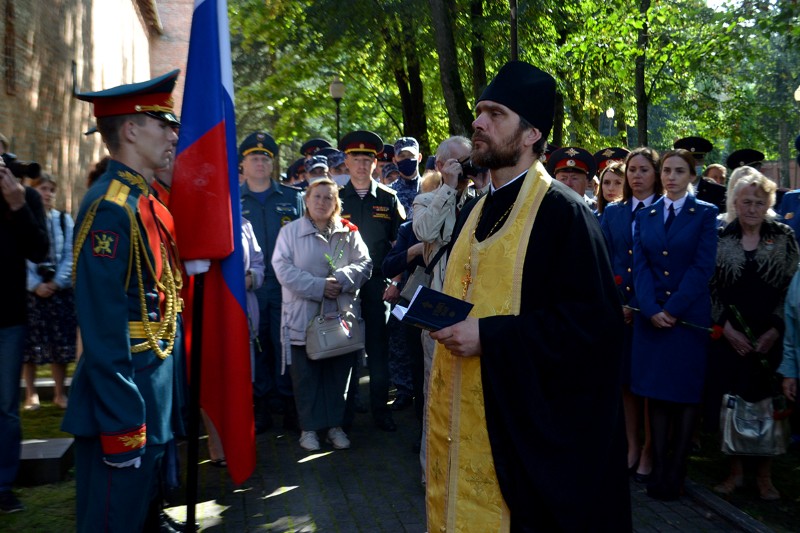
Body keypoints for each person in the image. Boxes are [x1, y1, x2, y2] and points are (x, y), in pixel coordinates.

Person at [426, 60, 630, 531]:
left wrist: (492, 337)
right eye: (478, 112)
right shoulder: (477, 209)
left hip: (525, 448)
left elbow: (594, 330)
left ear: (531, 134)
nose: (477, 123)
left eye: (495, 114)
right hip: (462, 421)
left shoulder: (565, 214)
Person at [61, 70, 186, 531]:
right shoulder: (110, 208)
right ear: (131, 130)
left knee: (135, 516)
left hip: (151, 386)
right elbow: (102, 325)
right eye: (162, 123)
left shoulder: (144, 200)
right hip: (125, 396)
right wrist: (123, 420)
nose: (173, 133)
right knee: (112, 521)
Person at [632, 148, 719, 501]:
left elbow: (703, 268)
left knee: (684, 399)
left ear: (692, 177)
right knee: (657, 397)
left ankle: (677, 473)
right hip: (652, 319)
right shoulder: (647, 213)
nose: (671, 177)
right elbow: (641, 266)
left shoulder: (705, 213)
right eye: (666, 170)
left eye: (679, 171)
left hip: (687, 321)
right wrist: (651, 308)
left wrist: (674, 310)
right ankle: (659, 470)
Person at [708, 170, 798, 500]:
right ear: (734, 202)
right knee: (732, 402)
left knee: (766, 403)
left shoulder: (784, 235)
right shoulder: (721, 236)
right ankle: (734, 474)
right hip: (731, 335)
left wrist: (776, 329)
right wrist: (726, 328)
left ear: (769, 204)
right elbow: (710, 286)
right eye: (746, 201)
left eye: (760, 202)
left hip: (770, 336)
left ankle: (764, 476)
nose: (752, 208)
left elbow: (792, 285)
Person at [272, 178, 372, 451]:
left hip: (340, 319)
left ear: (336, 203)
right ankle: (309, 430)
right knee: (306, 378)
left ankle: (336, 427)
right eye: (317, 196)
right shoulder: (290, 233)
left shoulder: (349, 232)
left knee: (339, 376)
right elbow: (283, 270)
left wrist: (341, 279)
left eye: (328, 197)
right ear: (306, 200)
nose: (322, 202)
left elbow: (365, 263)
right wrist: (318, 287)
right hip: (303, 320)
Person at [600, 146, 662, 484]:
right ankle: (631, 445)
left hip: (651, 312)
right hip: (618, 310)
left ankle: (651, 449)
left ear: (656, 174)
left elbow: (663, 267)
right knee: (624, 383)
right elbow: (606, 260)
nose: (636, 176)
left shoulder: (665, 210)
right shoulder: (614, 212)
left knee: (647, 385)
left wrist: (637, 304)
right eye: (632, 171)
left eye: (643, 170)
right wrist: (615, 302)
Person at [338, 130, 405, 432]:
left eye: (368, 159)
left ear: (375, 163)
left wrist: (397, 280)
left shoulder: (389, 199)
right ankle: (345, 412)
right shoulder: (336, 199)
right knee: (345, 348)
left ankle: (381, 410)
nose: (362, 164)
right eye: (356, 158)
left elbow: (400, 245)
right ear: (346, 162)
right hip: (344, 288)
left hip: (378, 284)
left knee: (379, 350)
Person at [239, 131, 305, 433]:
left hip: (288, 290)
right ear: (243, 163)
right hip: (251, 291)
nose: (260, 162)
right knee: (258, 347)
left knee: (288, 347)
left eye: (265, 157)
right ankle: (262, 406)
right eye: (254, 157)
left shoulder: (293, 199)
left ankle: (291, 405)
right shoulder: (233, 201)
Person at [0, 152, 49, 513]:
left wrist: (17, 205)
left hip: (8, 317)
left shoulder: (24, 196)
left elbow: (39, 249)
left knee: (6, 407)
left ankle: (2, 485)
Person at [22, 172, 77, 411]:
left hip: (59, 290)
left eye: (51, 189)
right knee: (30, 347)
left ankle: (59, 392)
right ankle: (31, 394)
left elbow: (70, 254)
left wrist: (57, 282)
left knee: (59, 345)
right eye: (43, 188)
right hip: (32, 292)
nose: (47, 193)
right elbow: (21, 256)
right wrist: (35, 284)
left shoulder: (64, 220)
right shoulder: (24, 218)